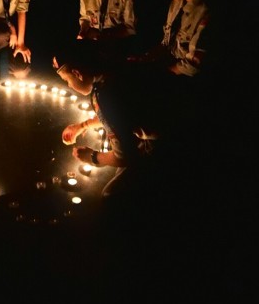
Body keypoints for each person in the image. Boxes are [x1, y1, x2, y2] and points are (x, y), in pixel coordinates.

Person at [53, 39, 179, 199]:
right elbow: (118, 115)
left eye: (67, 80)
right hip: (172, 117)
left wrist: (93, 157)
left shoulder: (103, 95)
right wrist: (83, 125)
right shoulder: (118, 66)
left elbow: (124, 156)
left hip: (167, 142)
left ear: (78, 74)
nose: (69, 86)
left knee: (109, 195)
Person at [128, 0, 211, 79]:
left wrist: (161, 73)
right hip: (168, 65)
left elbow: (194, 64)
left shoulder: (205, 12)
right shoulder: (176, 5)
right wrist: (146, 58)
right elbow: (167, 43)